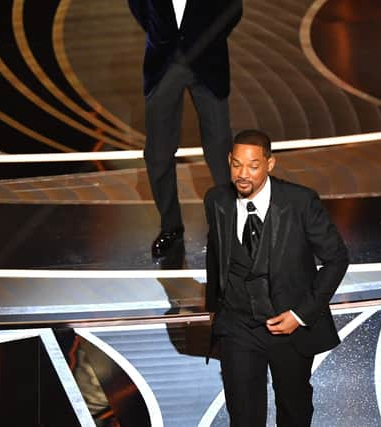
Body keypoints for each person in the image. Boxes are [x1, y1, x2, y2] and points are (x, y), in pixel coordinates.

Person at [204, 129, 349, 426]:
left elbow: (337, 259)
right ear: (229, 161)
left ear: (270, 164)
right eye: (237, 165)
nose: (243, 174)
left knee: (293, 408)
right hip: (238, 326)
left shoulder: (300, 202)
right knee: (243, 415)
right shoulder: (217, 200)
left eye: (253, 166)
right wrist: (214, 308)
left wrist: (300, 314)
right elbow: (217, 253)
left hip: (289, 326)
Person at [127, 0, 243, 258]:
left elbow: (234, 8)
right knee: (158, 154)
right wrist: (160, 34)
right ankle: (171, 227)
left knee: (220, 150)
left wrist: (207, 39)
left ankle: (232, 225)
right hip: (163, 63)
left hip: (208, 63)